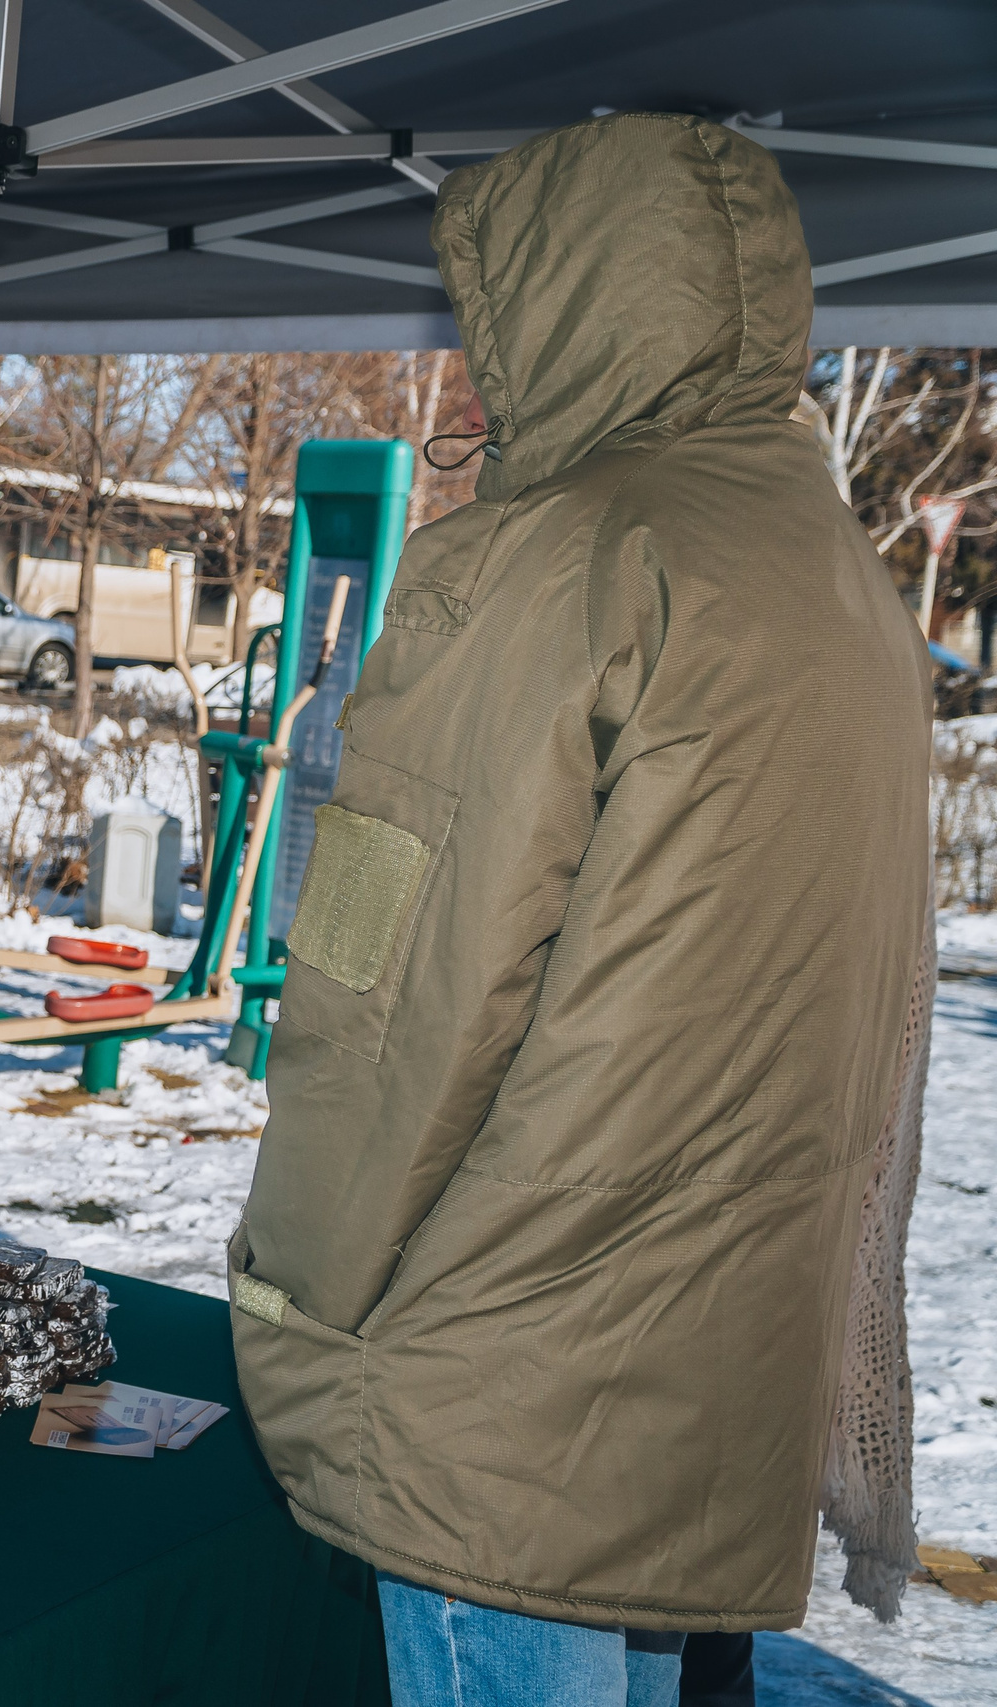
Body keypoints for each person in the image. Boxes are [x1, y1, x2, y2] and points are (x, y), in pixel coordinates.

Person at [225, 113, 932, 1705]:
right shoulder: (837, 571)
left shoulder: (559, 559)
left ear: (562, 301)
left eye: (494, 326)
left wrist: (294, 1298)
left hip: (507, 1382)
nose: (479, 373)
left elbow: (388, 990)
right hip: (719, 1355)